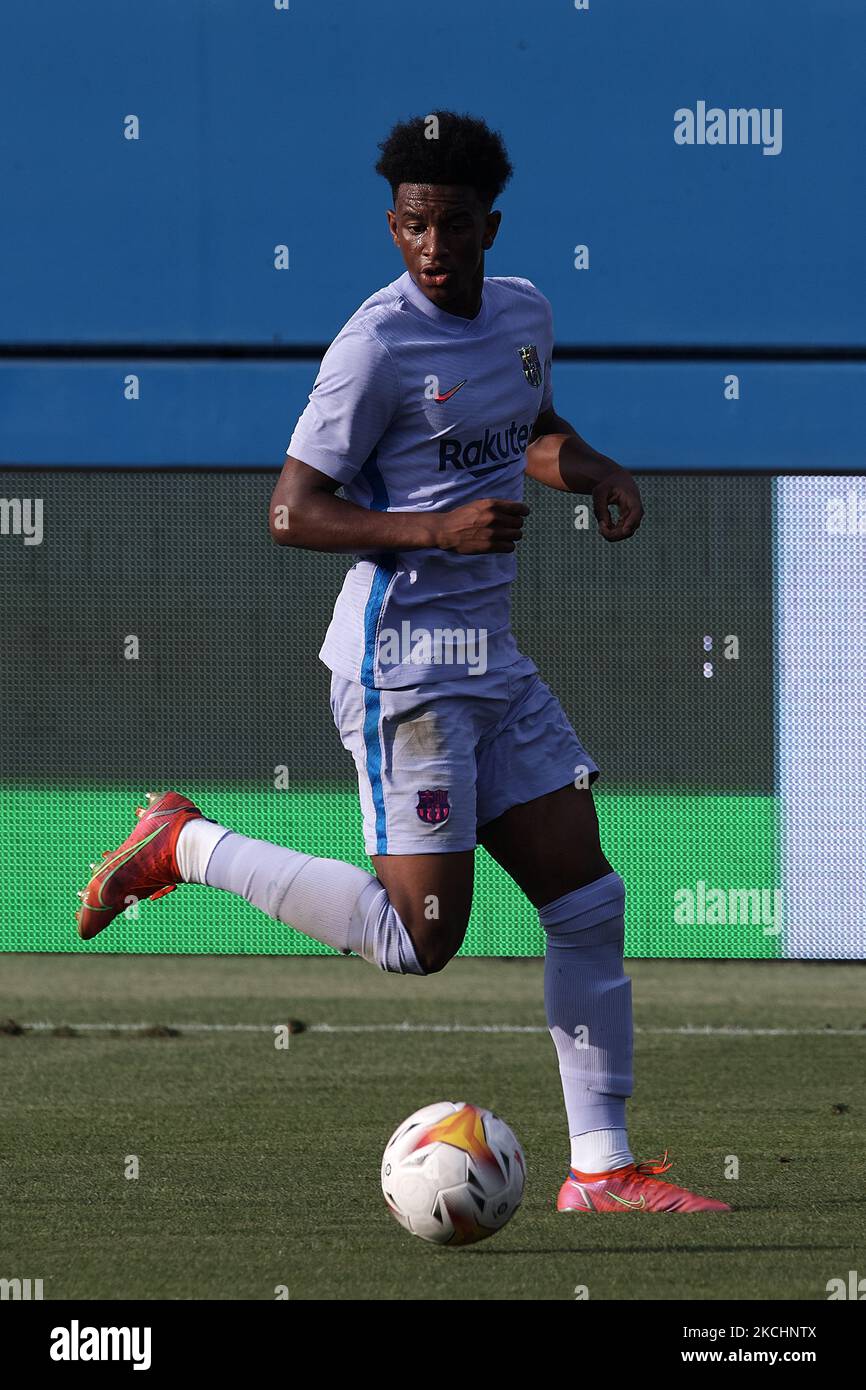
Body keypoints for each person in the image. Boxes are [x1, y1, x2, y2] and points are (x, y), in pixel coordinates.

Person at [76, 111, 728, 1214]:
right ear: (393, 227)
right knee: (415, 939)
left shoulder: (523, 313)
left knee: (584, 893)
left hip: (492, 661)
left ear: (489, 226)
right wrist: (434, 532)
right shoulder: (372, 346)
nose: (432, 246)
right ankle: (183, 844)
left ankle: (602, 1168)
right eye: (414, 226)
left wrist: (598, 470)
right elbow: (290, 512)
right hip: (403, 669)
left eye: (453, 225)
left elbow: (530, 429)